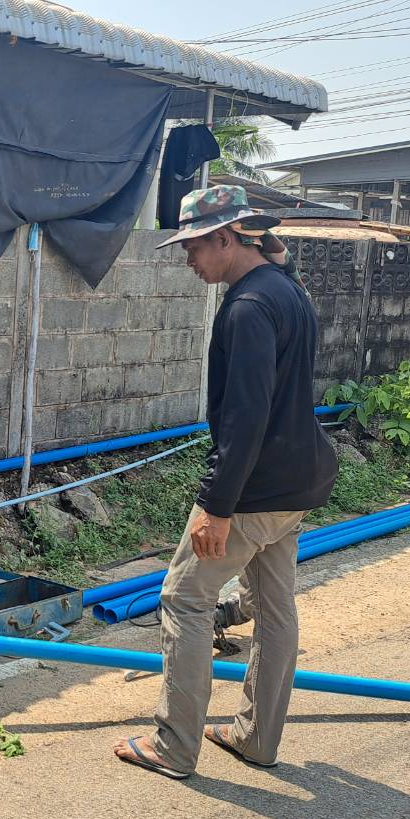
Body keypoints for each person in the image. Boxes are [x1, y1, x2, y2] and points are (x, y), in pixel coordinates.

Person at [114, 185, 337, 781]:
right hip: (298, 480)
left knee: (185, 599)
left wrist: (216, 507)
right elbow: (281, 262)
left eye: (193, 246)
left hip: (255, 489)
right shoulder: (286, 291)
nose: (188, 259)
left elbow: (244, 416)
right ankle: (257, 739)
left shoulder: (247, 308)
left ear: (225, 239)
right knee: (275, 607)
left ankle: (173, 746)